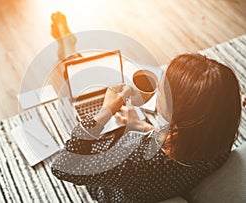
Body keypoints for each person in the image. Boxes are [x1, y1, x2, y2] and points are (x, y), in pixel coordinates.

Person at [50, 12, 242, 202]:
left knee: (80, 87)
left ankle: (68, 51)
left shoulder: (134, 157)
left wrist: (105, 111)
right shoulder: (219, 141)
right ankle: (69, 51)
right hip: (161, 185)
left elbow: (62, 165)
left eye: (164, 89)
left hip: (113, 191)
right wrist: (143, 127)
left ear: (179, 114)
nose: (159, 87)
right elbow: (184, 143)